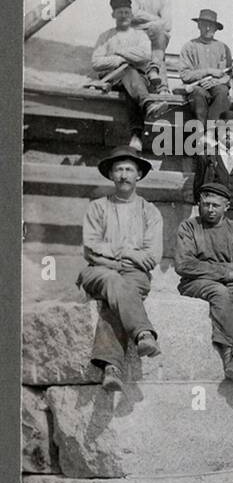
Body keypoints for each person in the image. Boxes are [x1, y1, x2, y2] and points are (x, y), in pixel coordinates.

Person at [76, 146, 163, 392]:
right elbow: (91, 249)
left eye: (129, 170)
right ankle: (143, 333)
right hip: (98, 272)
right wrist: (127, 252)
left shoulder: (150, 212)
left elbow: (152, 256)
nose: (124, 175)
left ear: (138, 176)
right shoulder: (97, 207)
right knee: (115, 282)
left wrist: (120, 254)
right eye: (118, 170)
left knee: (117, 298)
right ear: (111, 176)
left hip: (135, 275)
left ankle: (112, 368)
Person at [174, 181, 233, 381]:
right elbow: (184, 265)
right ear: (199, 204)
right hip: (195, 283)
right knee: (219, 293)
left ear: (226, 207)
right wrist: (228, 271)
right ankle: (228, 353)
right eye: (206, 204)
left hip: (230, 283)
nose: (210, 209)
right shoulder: (189, 227)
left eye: (215, 205)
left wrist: (211, 269)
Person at [91, 0, 164, 150]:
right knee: (128, 71)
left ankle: (136, 136)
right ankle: (146, 106)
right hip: (113, 78)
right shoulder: (105, 36)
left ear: (131, 15)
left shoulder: (140, 35)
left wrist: (118, 51)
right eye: (120, 12)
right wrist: (120, 60)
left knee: (130, 74)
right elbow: (96, 62)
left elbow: (145, 55)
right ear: (113, 15)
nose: (123, 16)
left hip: (137, 79)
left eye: (126, 12)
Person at [178, 8, 233, 126]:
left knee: (222, 91)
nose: (208, 28)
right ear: (198, 26)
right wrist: (208, 71)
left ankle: (211, 133)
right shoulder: (189, 46)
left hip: (217, 87)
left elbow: (229, 75)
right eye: (204, 25)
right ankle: (201, 133)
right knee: (198, 94)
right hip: (197, 87)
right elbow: (184, 74)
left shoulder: (223, 48)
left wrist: (217, 82)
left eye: (211, 25)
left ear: (216, 28)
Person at [126, 0, 171, 90]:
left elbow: (168, 24)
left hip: (156, 37)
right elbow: (132, 14)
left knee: (161, 33)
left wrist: (151, 22)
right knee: (158, 31)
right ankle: (161, 84)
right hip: (135, 34)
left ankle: (156, 76)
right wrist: (156, 20)